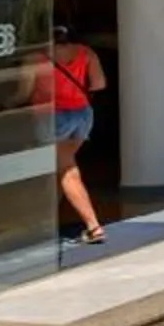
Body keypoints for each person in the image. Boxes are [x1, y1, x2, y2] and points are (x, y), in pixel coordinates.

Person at [46, 27, 108, 244]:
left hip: (55, 115)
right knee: (61, 168)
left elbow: (24, 91)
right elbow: (99, 83)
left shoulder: (40, 55)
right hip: (82, 115)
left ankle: (93, 226)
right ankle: (46, 222)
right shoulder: (86, 52)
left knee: (67, 170)